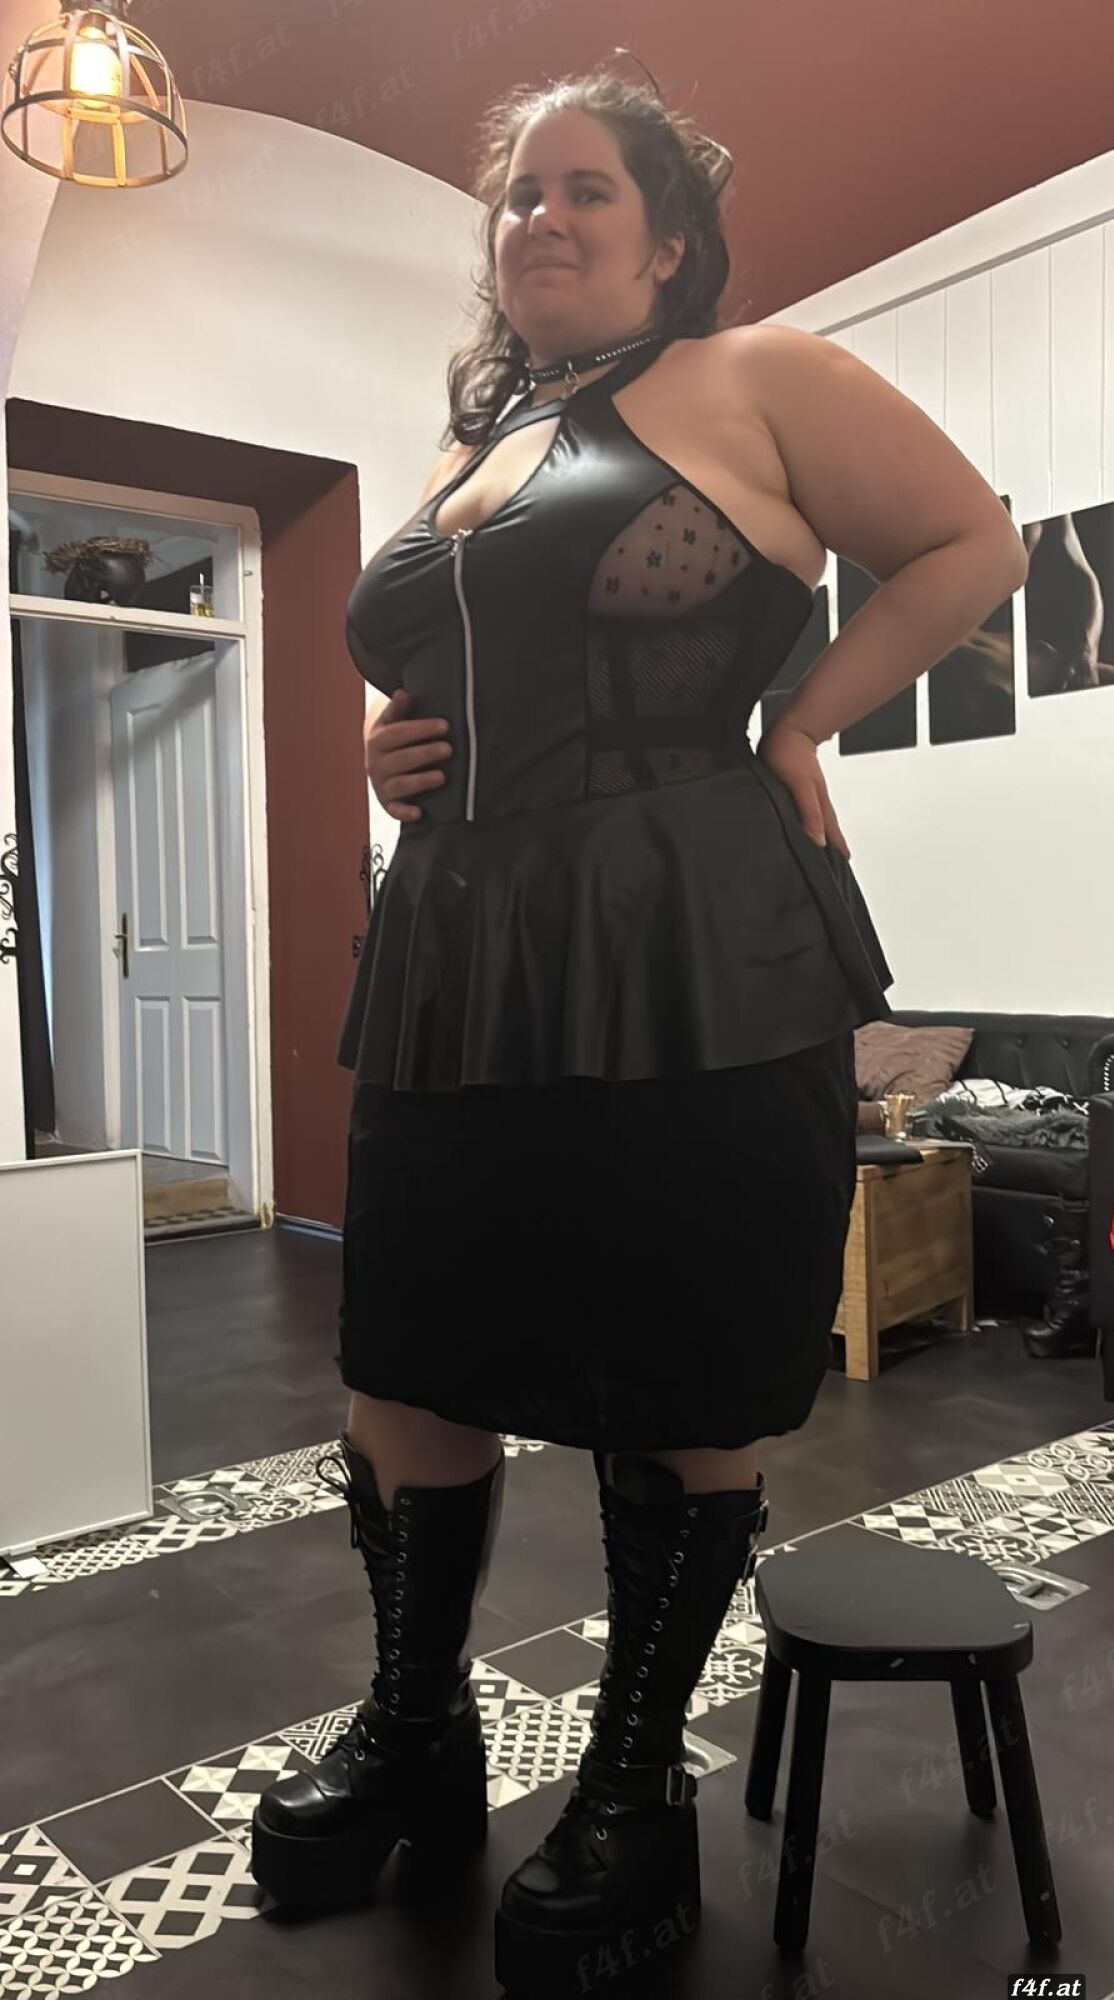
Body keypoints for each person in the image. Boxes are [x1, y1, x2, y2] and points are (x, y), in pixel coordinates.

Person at [249, 54, 1028, 1996]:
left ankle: (629, 1786)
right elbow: (456, 660)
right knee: (408, 1365)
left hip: (697, 933)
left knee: (674, 1379)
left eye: (585, 187)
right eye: (518, 192)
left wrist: (800, 719)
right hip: (458, 951)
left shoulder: (758, 374)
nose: (541, 217)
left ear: (670, 237)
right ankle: (416, 1732)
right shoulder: (480, 441)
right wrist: (388, 745)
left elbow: (971, 543)